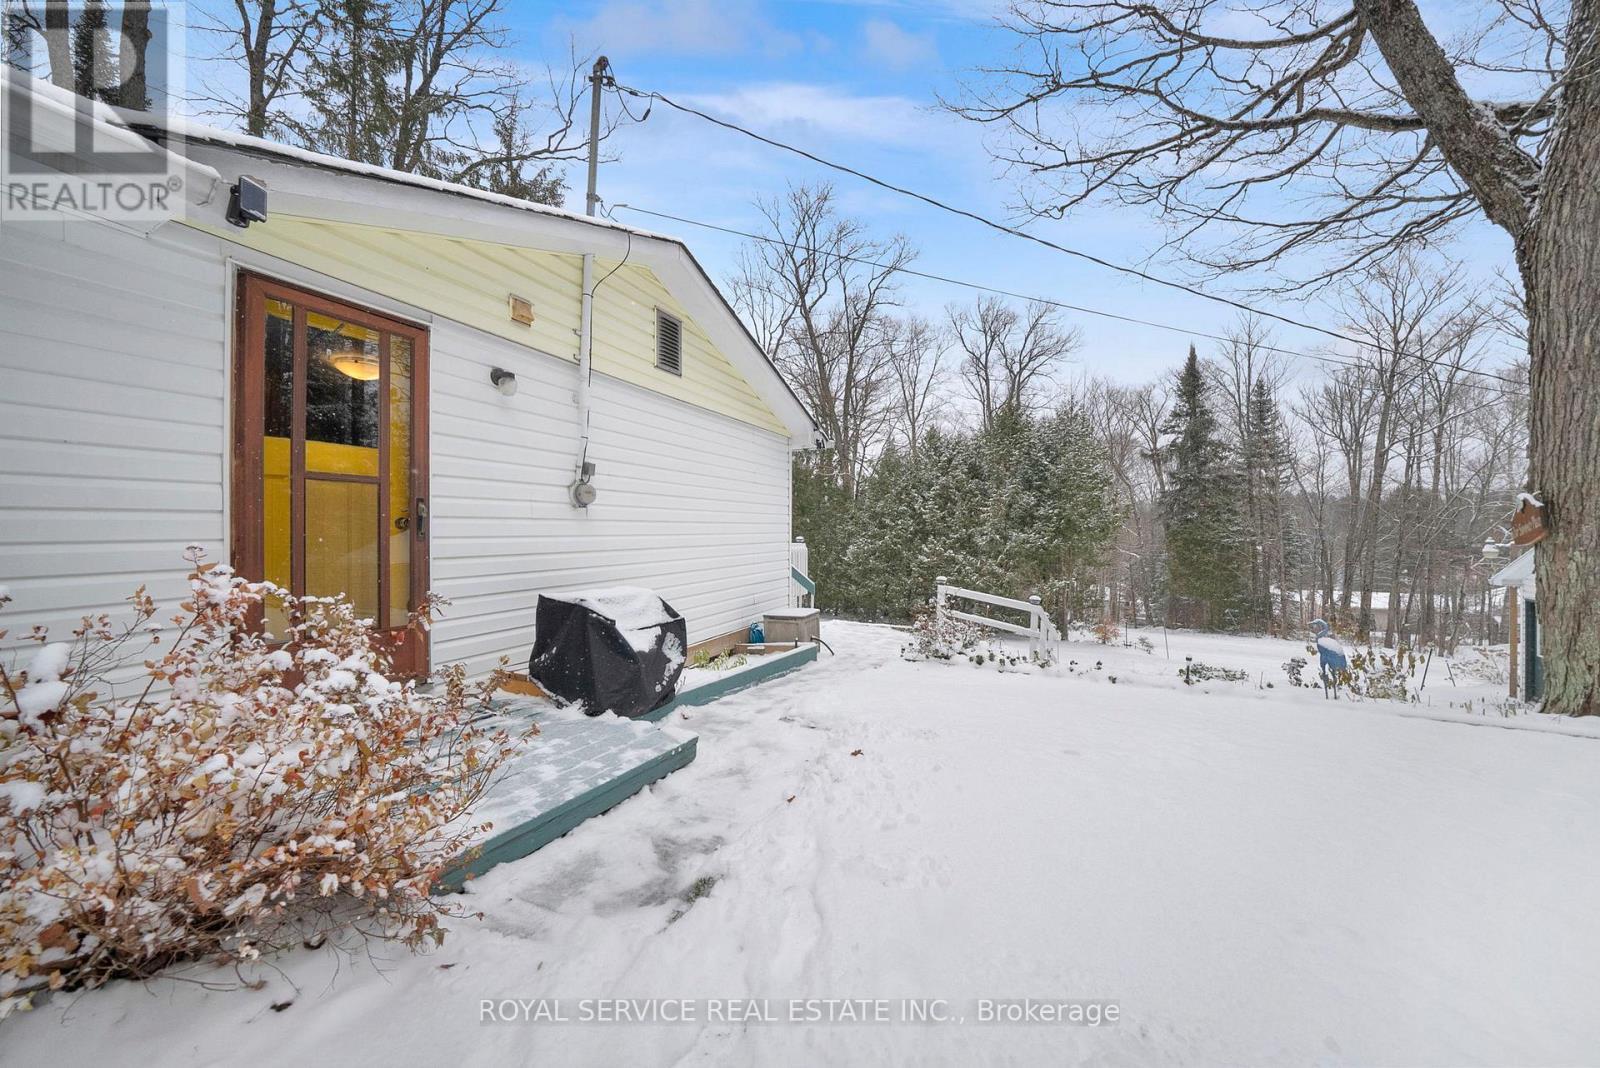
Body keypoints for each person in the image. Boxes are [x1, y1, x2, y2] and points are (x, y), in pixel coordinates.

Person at [1309, 619, 1348, 698]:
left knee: (1325, 673)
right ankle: (1333, 696)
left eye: (1316, 624)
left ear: (1323, 627)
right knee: (1333, 675)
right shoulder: (1331, 642)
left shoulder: (1321, 642)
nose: (1314, 625)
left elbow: (1324, 657)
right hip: (1334, 660)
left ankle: (1328, 696)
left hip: (1329, 659)